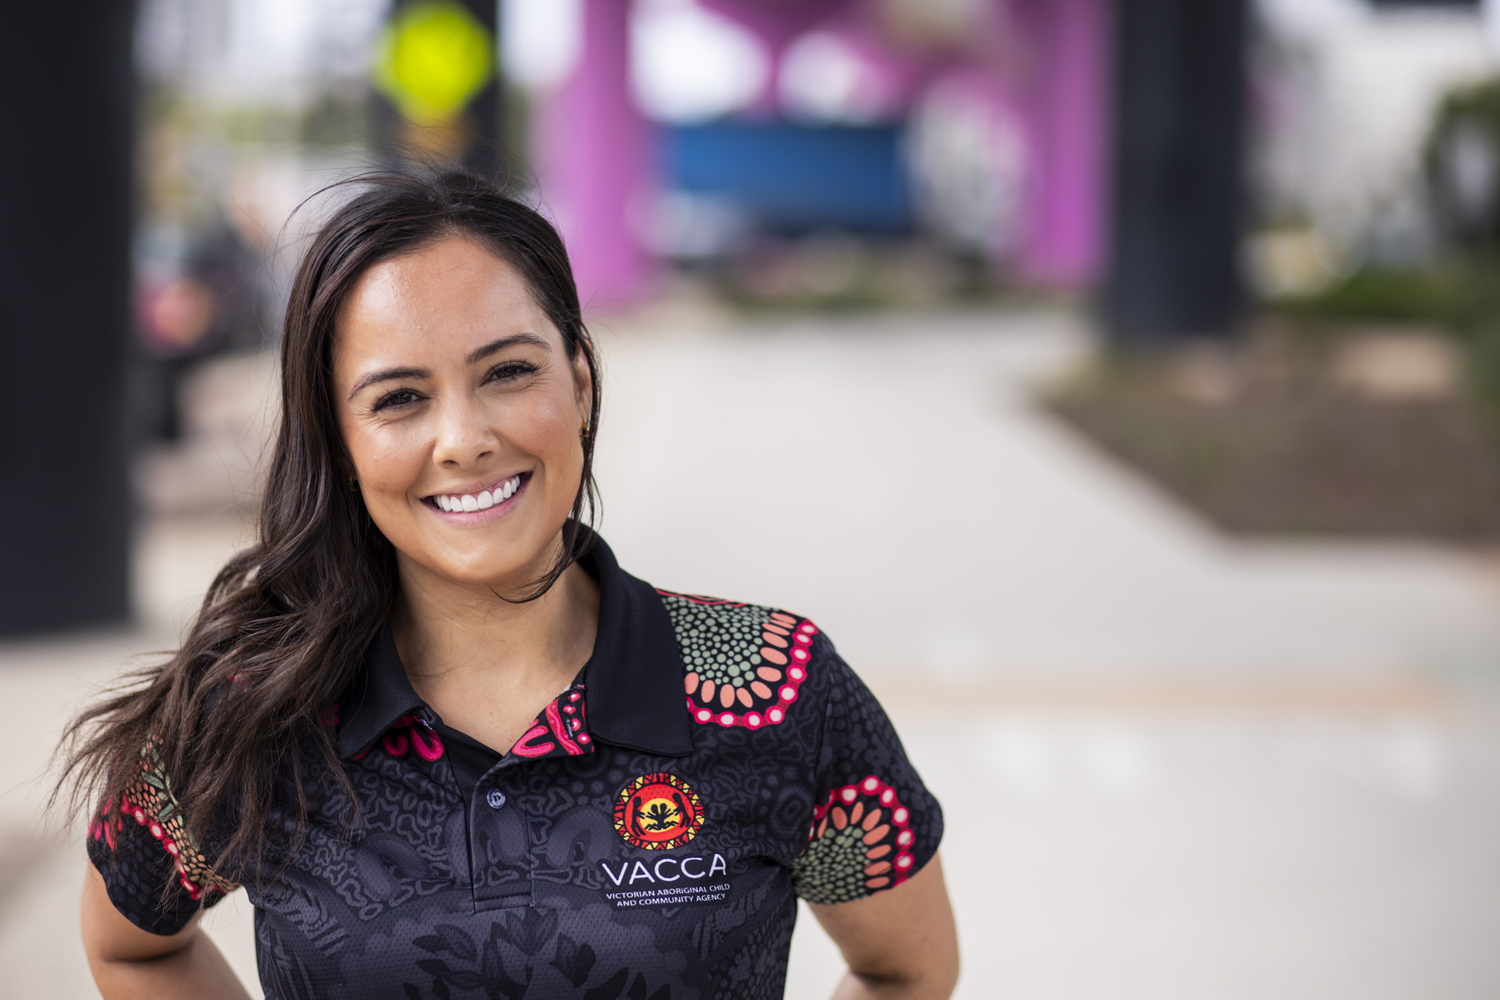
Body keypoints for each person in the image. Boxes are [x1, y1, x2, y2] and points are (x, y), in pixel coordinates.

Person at [67, 169, 959, 1000]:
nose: (463, 439)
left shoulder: (777, 689)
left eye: (507, 372)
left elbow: (905, 969)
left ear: (577, 381)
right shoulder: (250, 711)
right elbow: (131, 943)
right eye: (398, 399)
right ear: (338, 443)